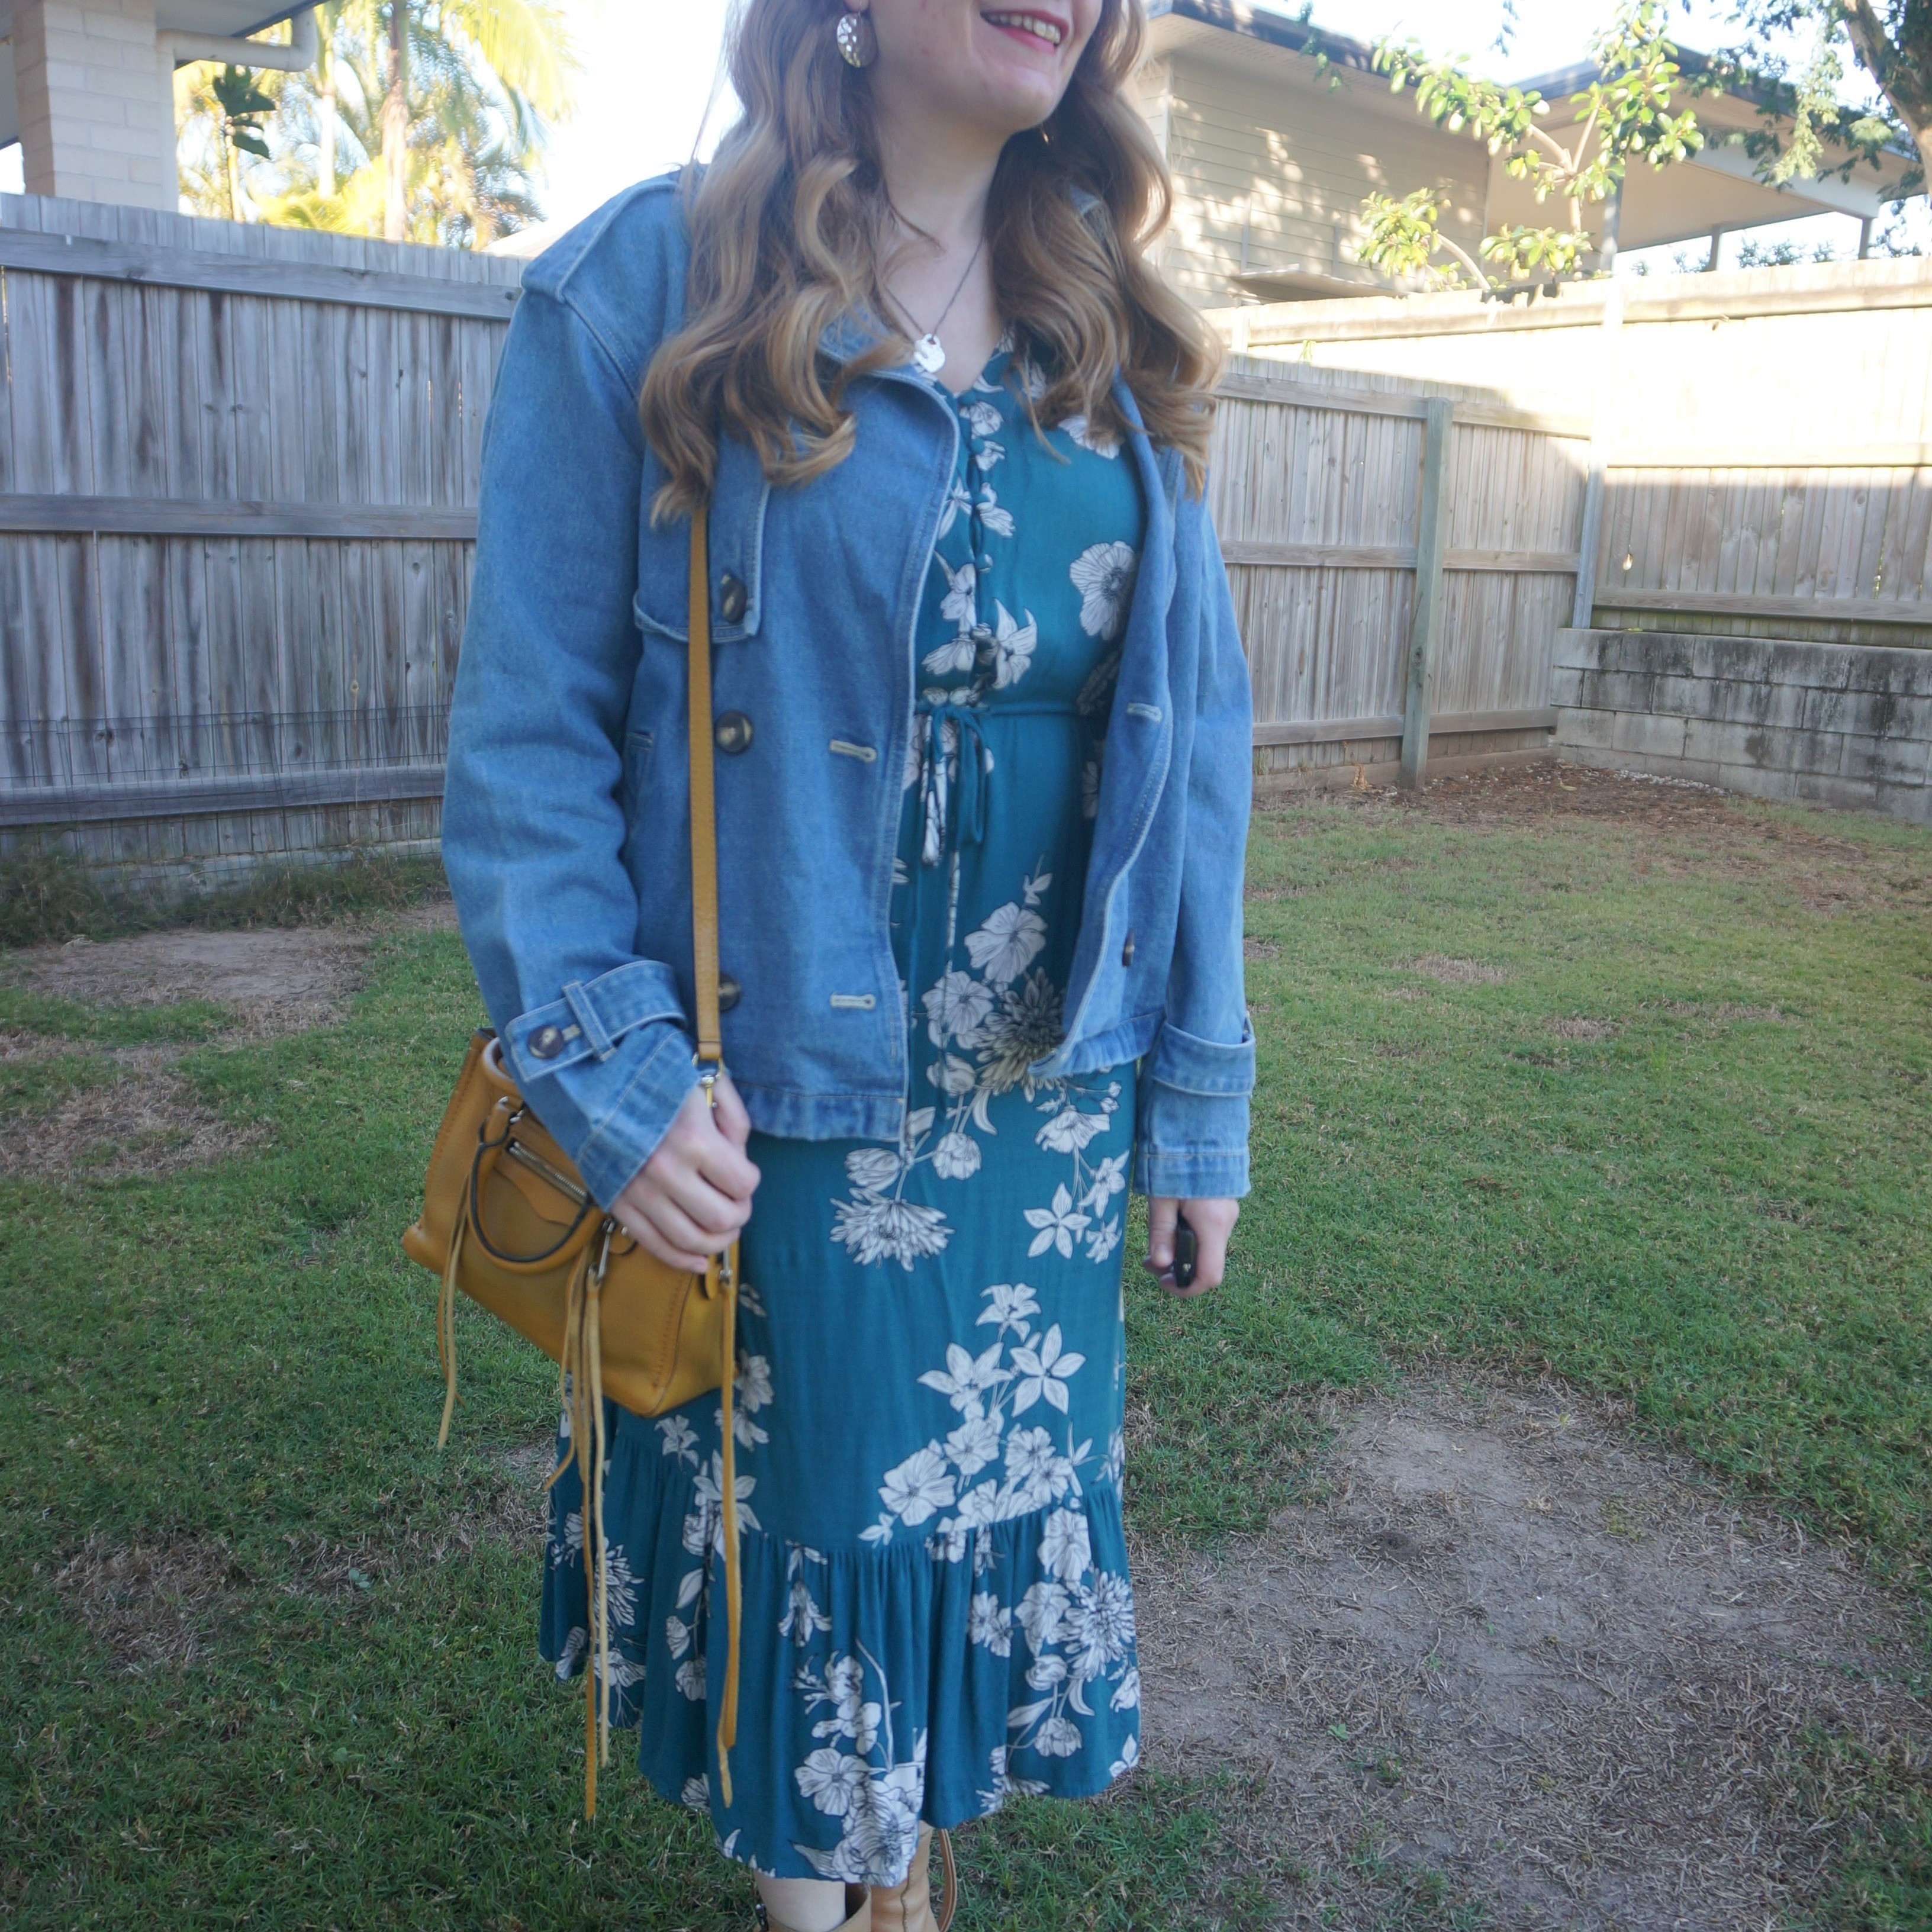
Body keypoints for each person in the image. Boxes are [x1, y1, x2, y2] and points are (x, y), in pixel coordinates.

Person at [442, 0, 1252, 1924]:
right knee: (815, 1592)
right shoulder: (650, 282)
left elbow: (1192, 743)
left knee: (949, 1569)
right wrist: (616, 1083)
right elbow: (524, 744)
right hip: (775, 1121)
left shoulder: (1104, 325)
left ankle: (902, 1889)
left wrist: (1197, 1095)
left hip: (1043, 1127)